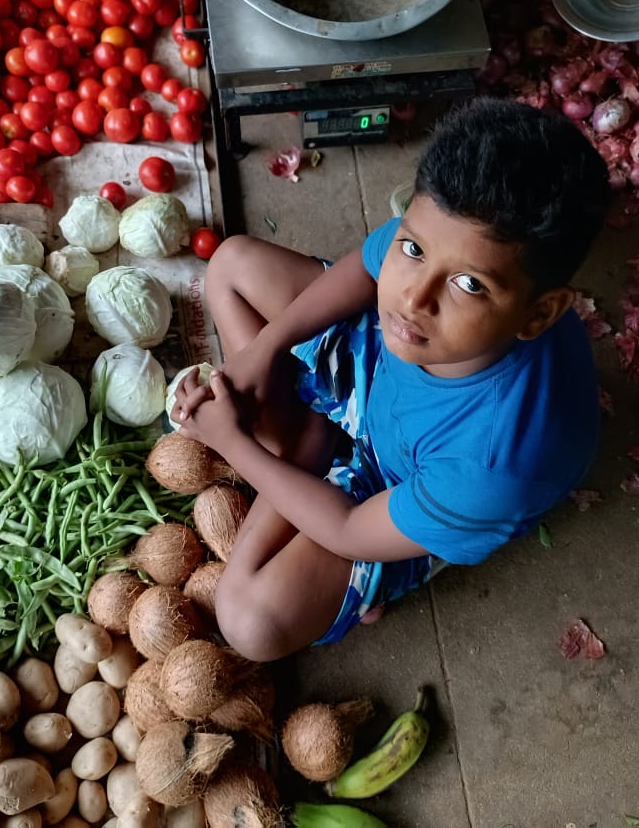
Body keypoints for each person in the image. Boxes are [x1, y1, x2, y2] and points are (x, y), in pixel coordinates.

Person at [170, 97, 612, 662]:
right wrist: (264, 349)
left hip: (399, 481)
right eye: (413, 249)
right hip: (381, 368)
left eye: (469, 286)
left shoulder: (494, 465)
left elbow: (352, 528)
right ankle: (305, 450)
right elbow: (365, 267)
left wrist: (230, 441)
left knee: (249, 621)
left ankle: (303, 459)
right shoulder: (442, 251)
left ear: (539, 315)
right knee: (230, 265)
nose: (412, 298)